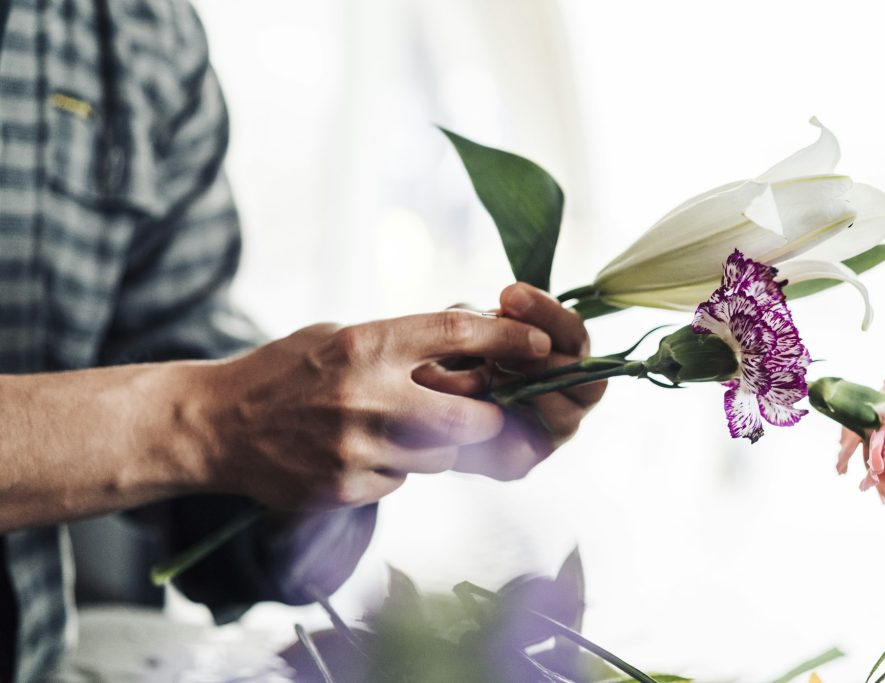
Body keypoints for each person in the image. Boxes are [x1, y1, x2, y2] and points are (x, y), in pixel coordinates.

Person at [0, 0, 604, 680]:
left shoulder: (140, 34)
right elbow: (202, 411)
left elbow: (180, 366)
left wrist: (385, 421)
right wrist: (215, 421)